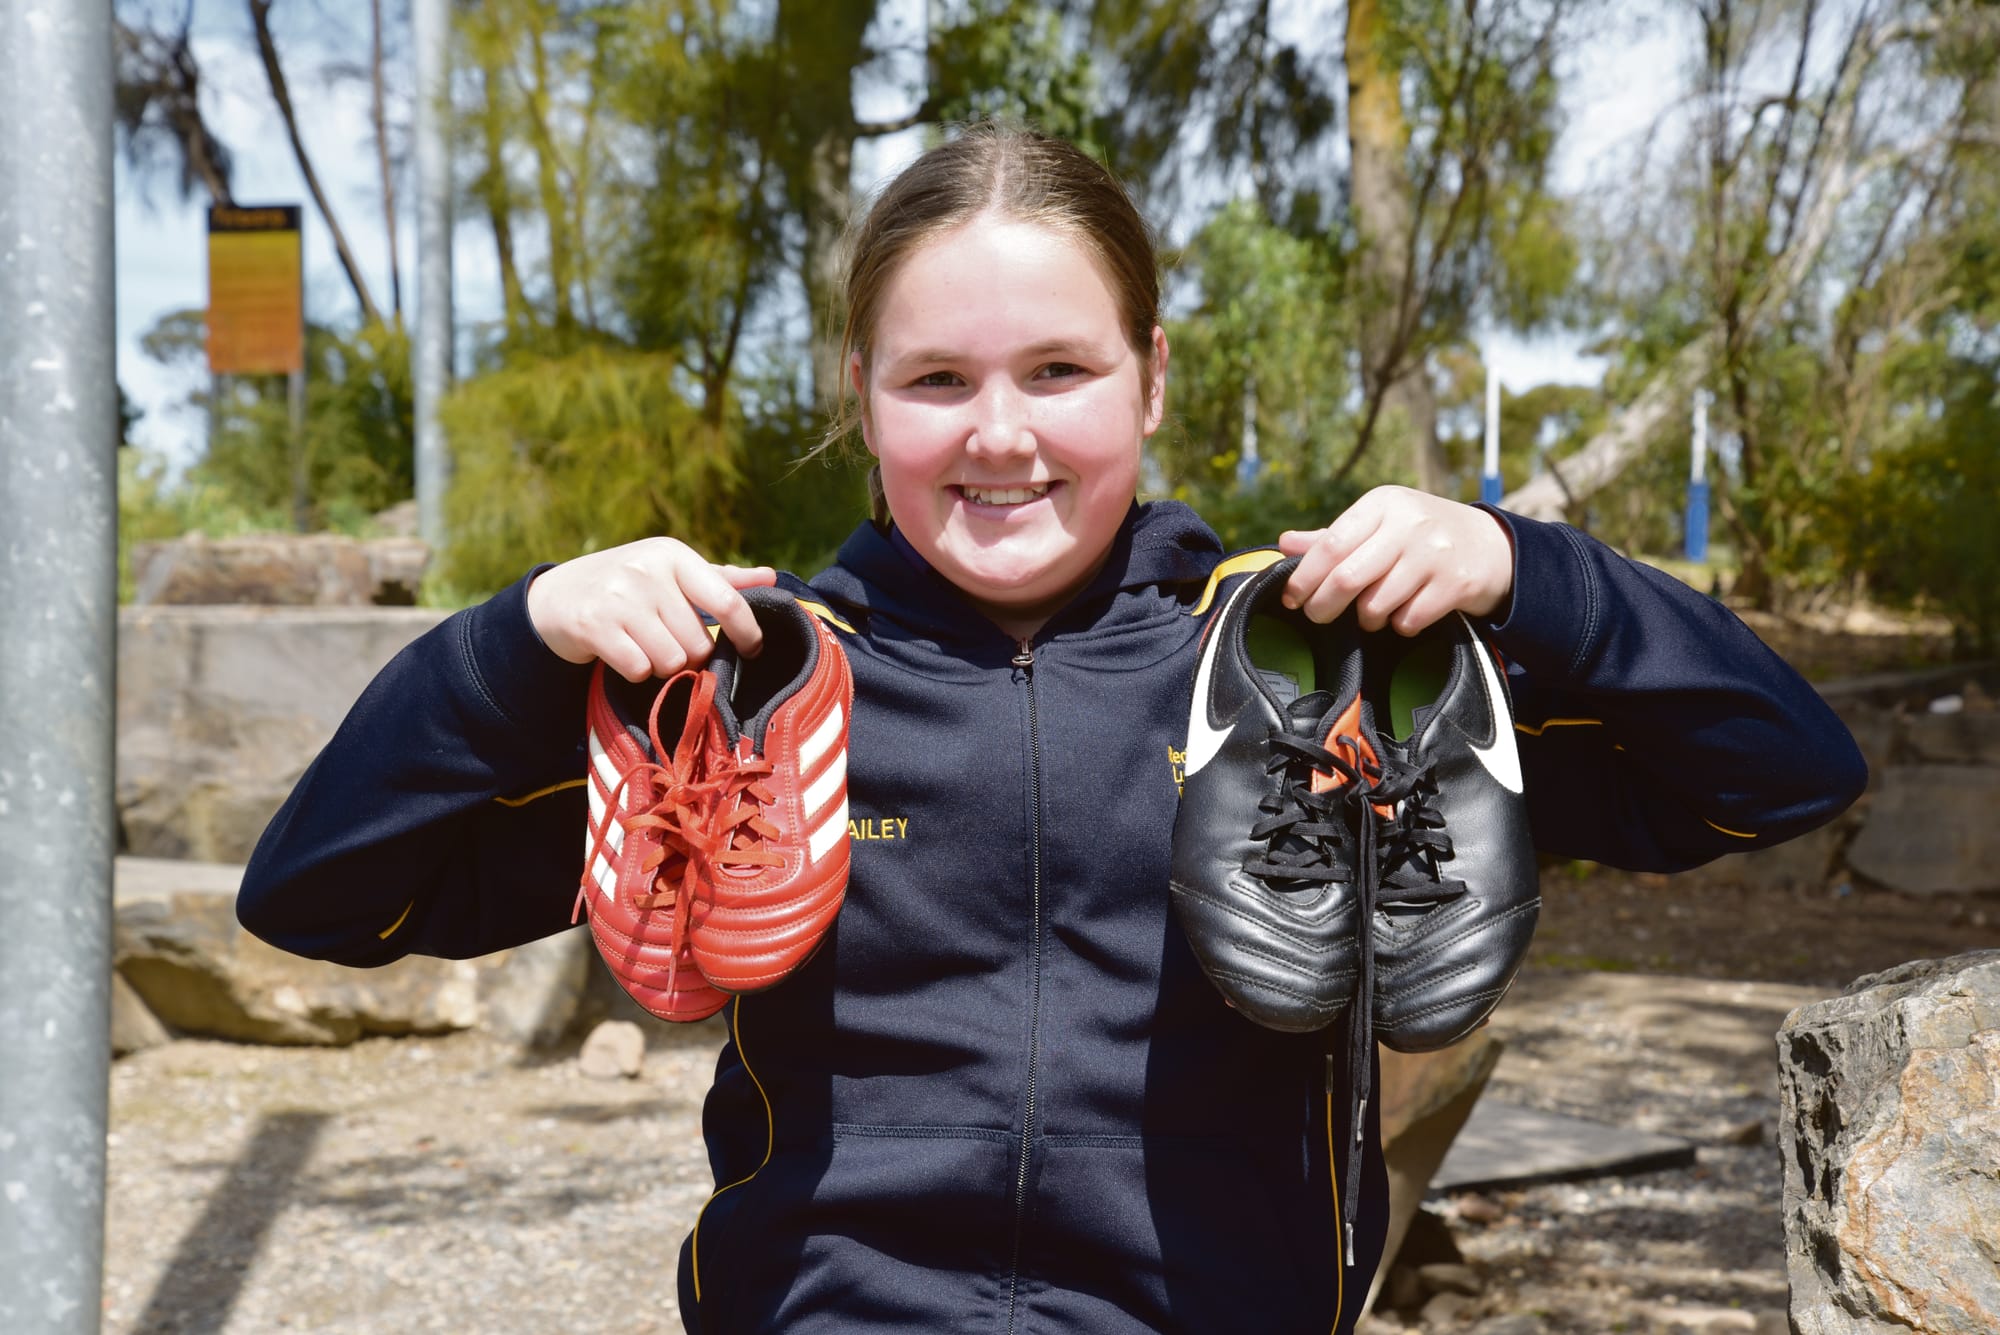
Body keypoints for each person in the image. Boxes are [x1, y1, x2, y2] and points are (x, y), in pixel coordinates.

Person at [238, 124, 1866, 1334]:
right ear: (859, 389)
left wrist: (1539, 575)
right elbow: (324, 899)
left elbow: (1778, 775)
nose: (1000, 436)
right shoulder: (748, 683)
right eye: (937, 378)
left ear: (1150, 380)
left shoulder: (1314, 669)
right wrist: (513, 644)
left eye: (1062, 370)